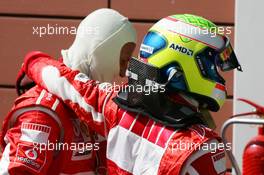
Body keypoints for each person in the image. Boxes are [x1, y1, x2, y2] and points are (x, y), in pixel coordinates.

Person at [18, 14, 241, 174]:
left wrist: (32, 60)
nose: (219, 76)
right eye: (214, 65)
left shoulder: (115, 105)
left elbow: (64, 81)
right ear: (185, 64)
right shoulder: (202, 148)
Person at [0, 8, 136, 175]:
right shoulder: (43, 112)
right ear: (99, 51)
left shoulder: (94, 109)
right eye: (122, 61)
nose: (123, 72)